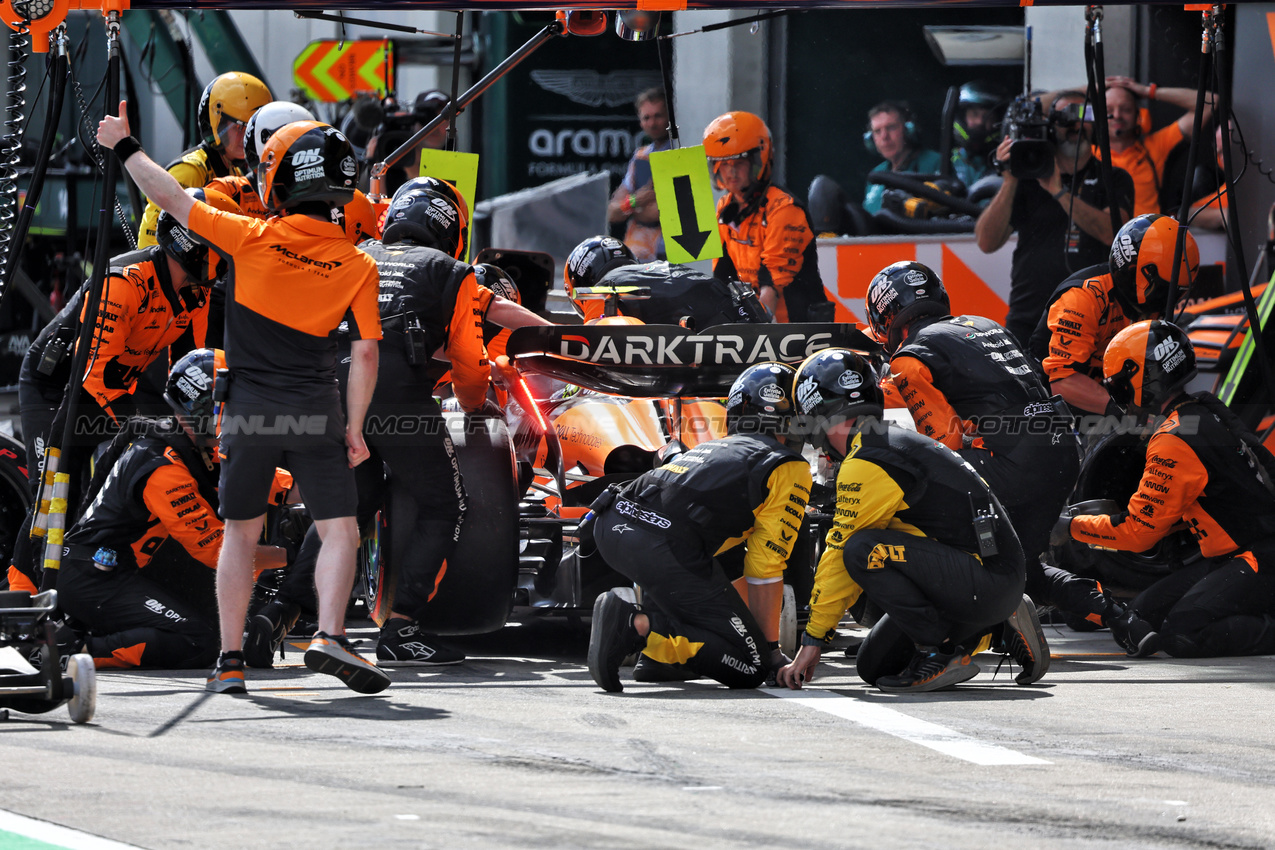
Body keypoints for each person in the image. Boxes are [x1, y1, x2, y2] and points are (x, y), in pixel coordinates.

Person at [97, 106, 390, 695]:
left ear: (278, 181)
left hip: (248, 411)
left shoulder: (249, 237)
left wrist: (125, 145)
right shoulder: (358, 264)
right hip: (316, 411)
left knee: (240, 533)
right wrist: (355, 428)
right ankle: (329, 635)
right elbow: (364, 355)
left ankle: (230, 662)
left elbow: (173, 200)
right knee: (340, 532)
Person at [248, 187, 552, 669]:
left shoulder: (351, 253)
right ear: (452, 230)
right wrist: (474, 406)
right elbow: (472, 365)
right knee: (445, 505)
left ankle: (277, 614)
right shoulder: (449, 271)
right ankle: (402, 625)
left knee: (345, 510)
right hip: (394, 398)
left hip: (327, 392)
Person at [11, 188, 243, 592]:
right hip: (58, 387)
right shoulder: (122, 281)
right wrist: (152, 430)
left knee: (142, 471)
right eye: (218, 241)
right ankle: (22, 590)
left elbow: (193, 368)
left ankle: (86, 585)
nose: (225, 256)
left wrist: (197, 432)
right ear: (190, 241)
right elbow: (96, 375)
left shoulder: (197, 293)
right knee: (53, 494)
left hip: (118, 386)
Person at [866, 261, 1114, 637]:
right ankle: (1122, 617)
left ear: (885, 316)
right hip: (1063, 455)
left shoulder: (909, 357)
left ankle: (937, 629)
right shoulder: (986, 324)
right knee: (1023, 572)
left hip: (1012, 465)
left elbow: (942, 446)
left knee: (907, 490)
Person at [777, 348, 1037, 693]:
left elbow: (840, 553)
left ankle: (938, 651)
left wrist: (812, 641)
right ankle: (998, 626)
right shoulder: (889, 440)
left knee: (859, 550)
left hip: (986, 580)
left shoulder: (867, 458)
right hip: (983, 577)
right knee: (873, 665)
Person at [585, 362, 813, 693]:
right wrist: (770, 651)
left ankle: (662, 658)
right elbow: (766, 566)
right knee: (750, 665)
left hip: (613, 524)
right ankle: (638, 626)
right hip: (661, 545)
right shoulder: (787, 466)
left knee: (711, 554)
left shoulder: (715, 447)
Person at [56, 350, 287, 669]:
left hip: (124, 569)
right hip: (96, 578)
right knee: (199, 642)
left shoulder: (189, 442)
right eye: (232, 405)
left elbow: (257, 478)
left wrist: (316, 492)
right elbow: (218, 551)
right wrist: (288, 558)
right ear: (204, 406)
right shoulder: (165, 467)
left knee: (209, 611)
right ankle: (72, 649)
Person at [1058, 320, 1275, 658]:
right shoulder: (1205, 406)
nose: (1119, 399)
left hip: (1259, 555)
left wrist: (1069, 528)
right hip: (1235, 554)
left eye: (1118, 387)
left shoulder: (1172, 439)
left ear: (1144, 379)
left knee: (1183, 634)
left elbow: (1139, 533)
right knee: (1142, 617)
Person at [975, 90, 1134, 347]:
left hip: (1094, 318)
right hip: (1029, 318)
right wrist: (1010, 179)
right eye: (1064, 118)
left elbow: (1111, 233)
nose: (1075, 125)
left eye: (1084, 116)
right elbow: (986, 242)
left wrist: (1059, 191)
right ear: (1050, 127)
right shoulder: (1027, 178)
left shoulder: (1114, 178)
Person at [1028, 214, 1198, 419]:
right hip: (1054, 405)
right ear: (1142, 274)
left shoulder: (1155, 303)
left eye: (1178, 293)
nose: (1169, 301)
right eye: (1165, 290)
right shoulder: (1083, 298)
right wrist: (1127, 414)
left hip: (1110, 401)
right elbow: (1063, 382)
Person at [703, 111, 828, 323]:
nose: (731, 172)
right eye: (724, 163)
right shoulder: (725, 206)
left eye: (739, 162)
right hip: (756, 321)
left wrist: (750, 332)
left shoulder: (784, 208)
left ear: (758, 161)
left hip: (796, 327)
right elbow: (722, 277)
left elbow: (771, 286)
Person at [136, 72, 271, 248]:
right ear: (217, 123)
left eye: (251, 129)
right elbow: (152, 243)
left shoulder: (235, 172)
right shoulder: (190, 170)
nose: (245, 136)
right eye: (238, 126)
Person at [563, 234, 767, 327]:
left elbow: (593, 352)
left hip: (705, 354)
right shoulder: (658, 267)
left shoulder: (602, 291)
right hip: (747, 319)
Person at [1103, 76, 1211, 216]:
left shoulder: (1155, 146)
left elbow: (1208, 103)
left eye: (1126, 109)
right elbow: (1065, 104)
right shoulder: (1087, 152)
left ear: (1138, 115)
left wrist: (1149, 91)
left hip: (1150, 235)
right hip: (1102, 236)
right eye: (1108, 110)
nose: (1117, 115)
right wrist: (1092, 90)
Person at [607, 88, 671, 262]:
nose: (652, 123)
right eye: (646, 118)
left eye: (658, 116)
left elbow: (655, 213)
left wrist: (633, 209)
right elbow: (612, 213)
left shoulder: (679, 152)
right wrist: (634, 201)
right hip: (640, 255)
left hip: (672, 253)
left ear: (669, 117)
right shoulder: (640, 156)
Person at [863, 101, 943, 215]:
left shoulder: (935, 162)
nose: (884, 137)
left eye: (891, 127)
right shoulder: (876, 175)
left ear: (908, 130)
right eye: (877, 131)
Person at [950, 81, 1006, 189]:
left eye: (987, 117)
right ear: (963, 118)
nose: (980, 122)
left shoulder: (1004, 163)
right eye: (974, 114)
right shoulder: (951, 161)